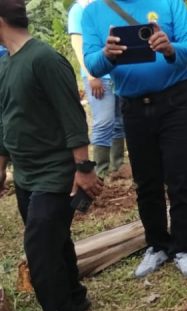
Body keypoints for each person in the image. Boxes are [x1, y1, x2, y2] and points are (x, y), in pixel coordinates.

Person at [0, 0, 102, 311]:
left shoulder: (44, 59)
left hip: (54, 174)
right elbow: (5, 121)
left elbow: (71, 116)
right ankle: (75, 297)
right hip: (26, 177)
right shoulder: (7, 64)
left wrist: (83, 168)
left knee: (39, 249)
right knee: (56, 242)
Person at [81, 0, 187, 278]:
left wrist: (172, 48)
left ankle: (184, 247)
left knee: (180, 175)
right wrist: (107, 54)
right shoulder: (92, 13)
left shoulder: (170, 3)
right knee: (146, 181)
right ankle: (158, 244)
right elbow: (92, 63)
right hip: (134, 107)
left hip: (176, 100)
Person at [68, 0, 126, 178]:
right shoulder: (78, 10)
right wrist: (92, 77)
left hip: (116, 73)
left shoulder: (106, 5)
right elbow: (78, 47)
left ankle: (117, 165)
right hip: (97, 75)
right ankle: (100, 170)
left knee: (119, 121)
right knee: (103, 122)